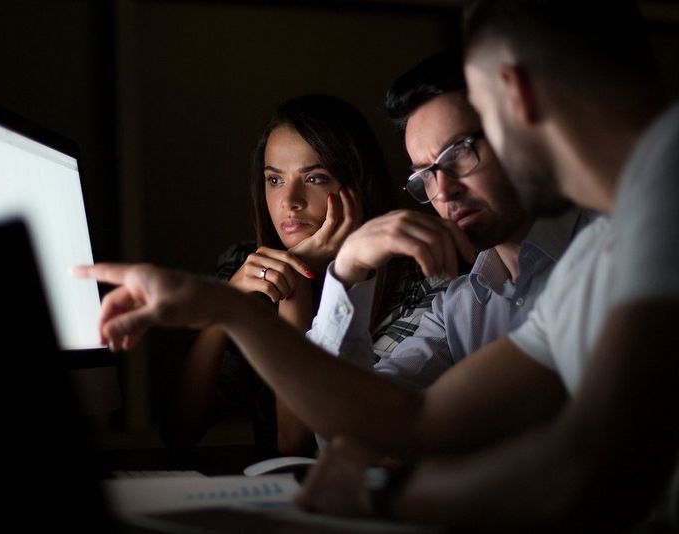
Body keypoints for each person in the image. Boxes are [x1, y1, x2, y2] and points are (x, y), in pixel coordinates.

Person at [74, 1, 678, 528]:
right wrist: (227, 308)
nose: (442, 193)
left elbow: (591, 472)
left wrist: (385, 499)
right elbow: (409, 416)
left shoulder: (664, 185)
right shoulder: (592, 256)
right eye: (424, 175)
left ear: (514, 94)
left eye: (467, 146)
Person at [161, 94, 435, 457]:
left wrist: (295, 283)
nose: (289, 200)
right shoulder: (244, 267)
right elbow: (179, 434)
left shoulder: (417, 282)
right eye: (274, 180)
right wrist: (223, 308)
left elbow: (299, 447)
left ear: (358, 185)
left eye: (315, 178)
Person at [309, 49, 587, 390]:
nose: (442, 191)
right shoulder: (459, 307)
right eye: (425, 174)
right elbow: (355, 418)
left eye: (457, 154)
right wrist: (350, 264)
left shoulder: (615, 249)